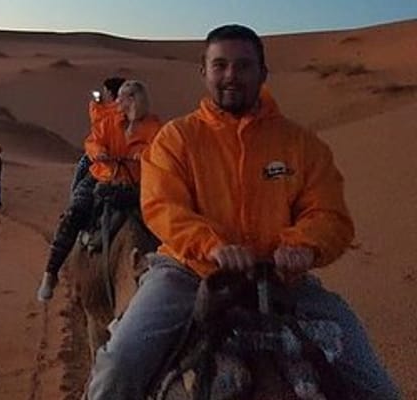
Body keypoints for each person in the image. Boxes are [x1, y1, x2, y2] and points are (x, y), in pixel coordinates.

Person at [86, 24, 399, 399]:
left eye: (243, 66)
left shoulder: (301, 144)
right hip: (189, 272)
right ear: (204, 72)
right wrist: (213, 246)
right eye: (220, 65)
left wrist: (304, 245)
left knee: (375, 385)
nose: (231, 75)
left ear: (262, 73)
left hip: (281, 278)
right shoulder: (176, 139)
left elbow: (328, 212)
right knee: (118, 366)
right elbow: (163, 206)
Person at [38, 79, 161, 302]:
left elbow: (162, 150)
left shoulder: (155, 128)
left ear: (134, 100)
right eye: (119, 98)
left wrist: (146, 156)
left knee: (164, 224)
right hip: (102, 178)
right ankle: (50, 273)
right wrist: (99, 151)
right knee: (75, 213)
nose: (118, 102)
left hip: (138, 184)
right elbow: (92, 142)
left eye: (123, 98)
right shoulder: (109, 123)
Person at [70, 76, 127, 193]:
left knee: (81, 184)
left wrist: (96, 105)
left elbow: (97, 123)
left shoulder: (109, 112)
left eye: (105, 91)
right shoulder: (131, 111)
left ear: (110, 93)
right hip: (111, 157)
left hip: (111, 162)